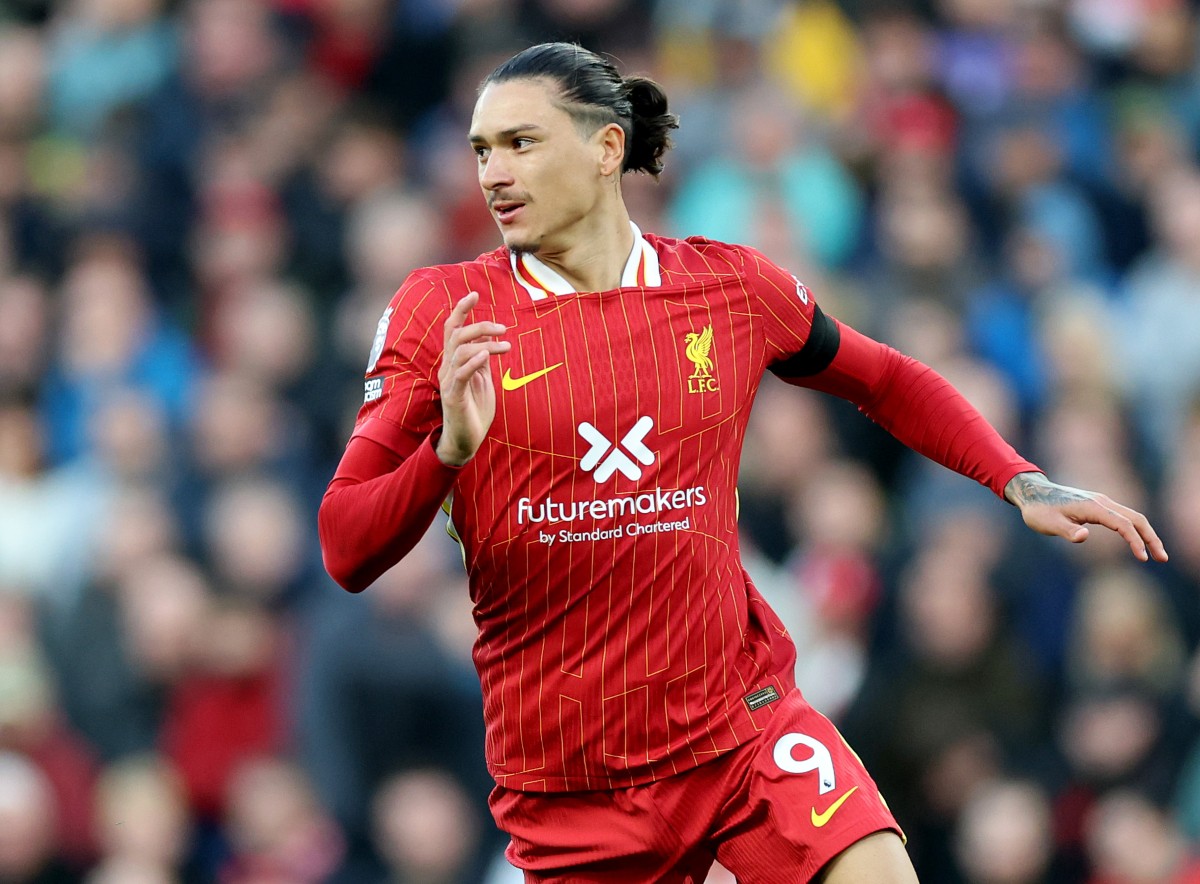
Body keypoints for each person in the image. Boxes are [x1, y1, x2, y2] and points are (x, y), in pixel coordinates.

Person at [318, 42, 1168, 884]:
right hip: (574, 782)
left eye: (521, 142)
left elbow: (884, 378)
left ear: (607, 147)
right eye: (481, 150)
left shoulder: (728, 290)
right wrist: (447, 454)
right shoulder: (443, 312)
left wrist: (1016, 478)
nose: (493, 173)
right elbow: (346, 547)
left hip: (741, 725)